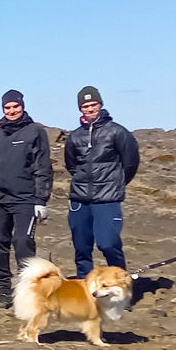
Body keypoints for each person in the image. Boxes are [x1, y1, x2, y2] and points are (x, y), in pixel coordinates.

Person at [0, 90, 53, 308]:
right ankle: (3, 291)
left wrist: (41, 200)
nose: (12, 111)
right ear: (2, 109)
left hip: (26, 199)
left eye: (15, 106)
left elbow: (43, 167)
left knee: (23, 242)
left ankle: (28, 289)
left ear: (22, 106)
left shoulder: (35, 132)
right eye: (7, 107)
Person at [64, 86, 140, 278]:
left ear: (101, 104)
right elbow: (71, 164)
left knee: (108, 243)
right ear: (80, 108)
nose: (90, 109)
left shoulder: (118, 132)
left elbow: (130, 163)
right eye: (85, 106)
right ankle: (86, 289)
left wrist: (116, 184)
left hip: (107, 199)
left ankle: (121, 283)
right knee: (81, 247)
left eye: (93, 104)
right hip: (79, 199)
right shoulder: (74, 136)